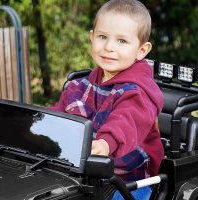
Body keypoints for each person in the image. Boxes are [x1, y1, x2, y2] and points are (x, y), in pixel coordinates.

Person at [48, 0, 164, 199]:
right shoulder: (79, 85)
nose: (109, 47)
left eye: (122, 41)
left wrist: (106, 142)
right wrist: (38, 128)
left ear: (141, 50)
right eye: (103, 37)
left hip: (129, 178)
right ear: (92, 37)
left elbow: (126, 121)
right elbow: (58, 115)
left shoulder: (139, 92)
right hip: (85, 171)